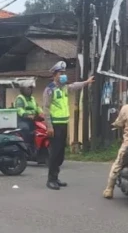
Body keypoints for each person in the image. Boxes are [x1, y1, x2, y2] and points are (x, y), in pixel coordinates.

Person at [42, 61, 94, 190]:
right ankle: (51, 179)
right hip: (55, 125)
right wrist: (49, 126)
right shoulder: (50, 89)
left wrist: (86, 82)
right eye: (61, 73)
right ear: (55, 75)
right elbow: (46, 108)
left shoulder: (64, 87)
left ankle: (56, 176)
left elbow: (75, 86)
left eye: (64, 73)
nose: (63, 75)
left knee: (61, 153)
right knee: (54, 153)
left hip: (64, 123)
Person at [13, 80, 40, 150]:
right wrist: (27, 115)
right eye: (28, 88)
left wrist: (42, 113)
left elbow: (37, 107)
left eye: (31, 88)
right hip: (22, 120)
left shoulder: (32, 98)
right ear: (23, 89)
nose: (30, 90)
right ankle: (26, 146)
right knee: (25, 129)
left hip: (33, 119)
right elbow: (19, 109)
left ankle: (36, 146)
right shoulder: (20, 98)